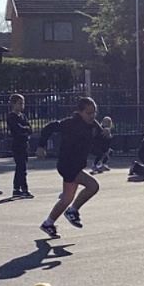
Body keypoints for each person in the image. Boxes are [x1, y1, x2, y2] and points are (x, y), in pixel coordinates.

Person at [37, 96, 102, 236]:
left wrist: (107, 137)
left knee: (67, 198)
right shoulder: (70, 123)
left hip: (76, 165)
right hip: (67, 164)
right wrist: (41, 146)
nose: (92, 116)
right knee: (93, 186)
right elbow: (49, 127)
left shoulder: (93, 126)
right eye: (88, 113)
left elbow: (101, 141)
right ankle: (72, 211)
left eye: (94, 112)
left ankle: (48, 223)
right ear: (80, 112)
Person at [8, 93, 33, 198]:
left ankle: (16, 188)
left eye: (23, 103)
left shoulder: (23, 116)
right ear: (13, 104)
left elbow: (30, 129)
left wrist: (26, 129)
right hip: (17, 145)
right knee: (21, 167)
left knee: (20, 167)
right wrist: (25, 129)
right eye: (19, 103)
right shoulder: (11, 117)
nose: (22, 105)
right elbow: (17, 129)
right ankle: (24, 189)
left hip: (24, 144)